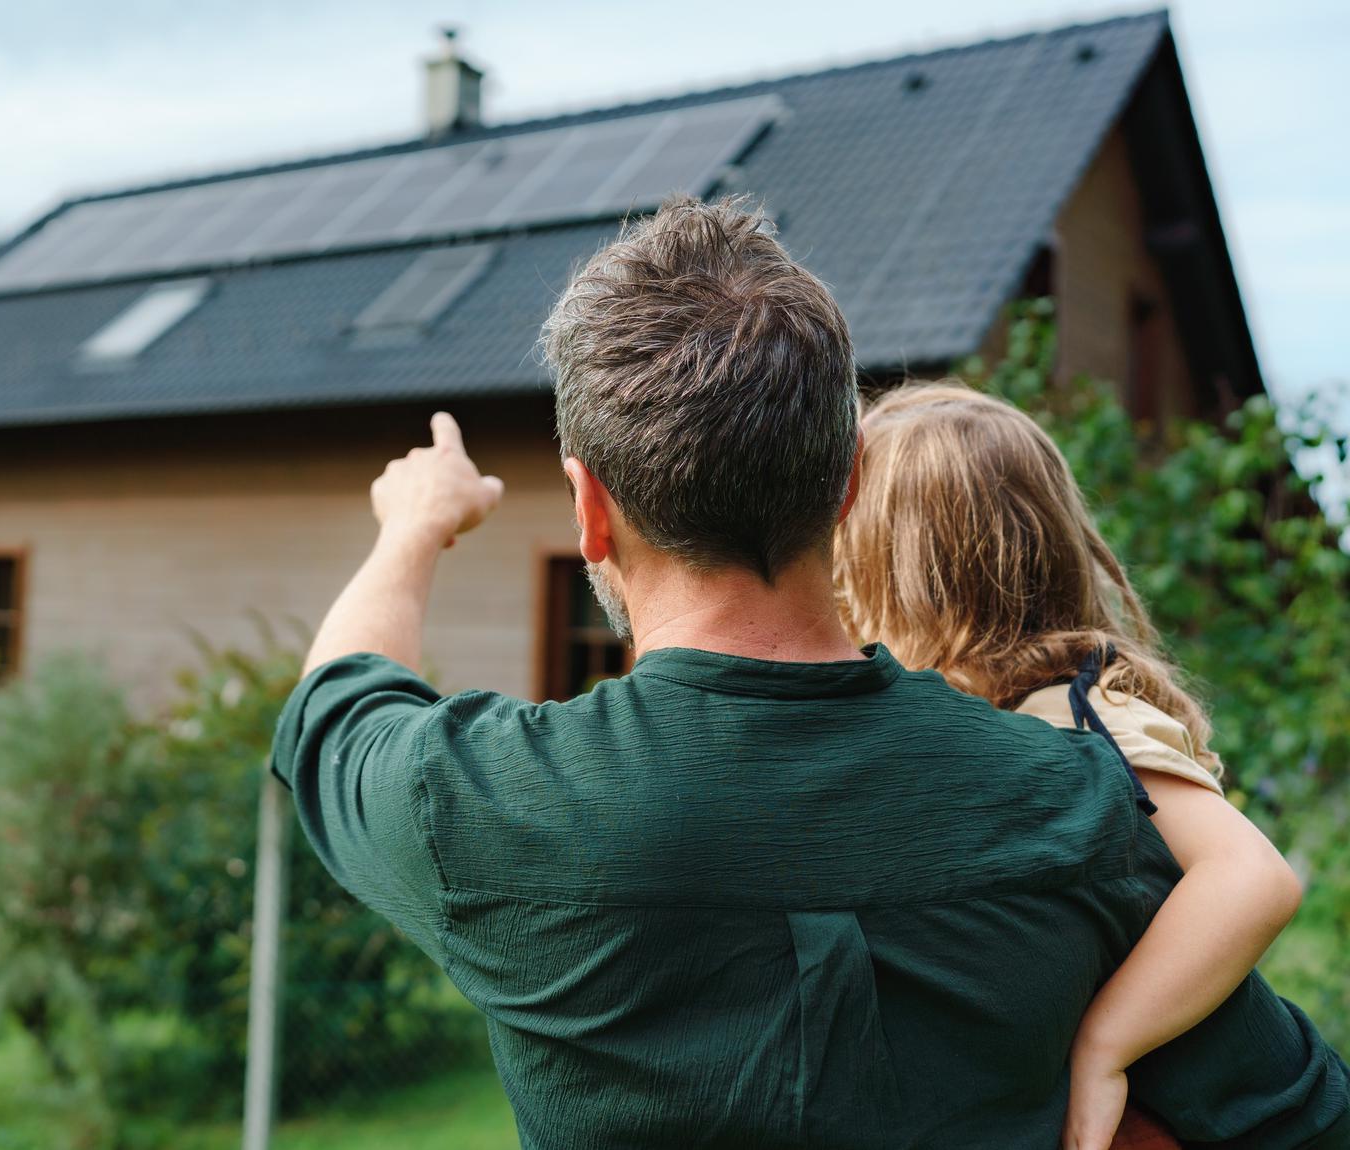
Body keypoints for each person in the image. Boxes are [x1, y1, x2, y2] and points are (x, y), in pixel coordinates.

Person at [269, 197, 1349, 1148]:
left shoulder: (478, 802)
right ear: (842, 486)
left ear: (589, 509)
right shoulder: (1070, 797)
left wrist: (414, 527)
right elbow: (1302, 1113)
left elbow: (337, 698)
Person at [832, 382, 1307, 1149]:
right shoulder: (1000, 718)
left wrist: (1104, 1048)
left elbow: (1253, 878)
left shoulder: (1081, 714)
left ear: (904, 577)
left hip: (1261, 1122)